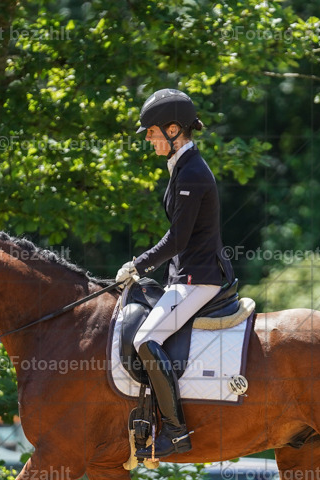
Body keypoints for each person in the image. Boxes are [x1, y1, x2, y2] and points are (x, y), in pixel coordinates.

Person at [116, 88, 235, 458]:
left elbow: (177, 238)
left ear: (172, 130)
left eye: (151, 132)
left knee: (144, 340)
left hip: (200, 278)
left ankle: (176, 432)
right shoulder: (183, 167)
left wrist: (137, 264)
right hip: (184, 275)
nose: (148, 139)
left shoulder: (192, 173)